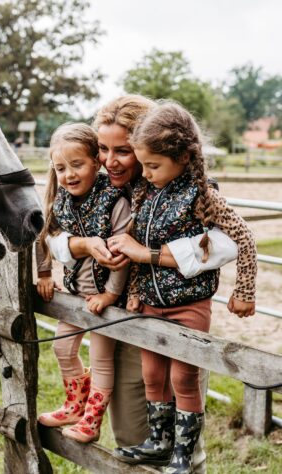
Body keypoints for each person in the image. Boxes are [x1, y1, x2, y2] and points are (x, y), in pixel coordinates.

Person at [46, 95, 239, 473]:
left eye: (123, 150)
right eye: (103, 148)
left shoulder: (189, 189)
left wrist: (146, 254)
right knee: (129, 434)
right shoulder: (99, 188)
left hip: (168, 319)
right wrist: (81, 245)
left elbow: (223, 245)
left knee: (175, 439)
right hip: (115, 322)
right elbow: (53, 235)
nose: (109, 160)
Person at [109, 101, 257, 473]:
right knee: (152, 375)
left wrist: (245, 291)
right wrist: (133, 293)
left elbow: (243, 235)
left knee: (183, 377)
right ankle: (159, 442)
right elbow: (137, 242)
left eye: (153, 166)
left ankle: (184, 452)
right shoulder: (148, 191)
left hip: (187, 306)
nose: (146, 173)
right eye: (143, 165)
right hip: (150, 304)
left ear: (184, 156)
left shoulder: (200, 194)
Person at [35, 122, 130, 443]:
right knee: (62, 348)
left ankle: (92, 419)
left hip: (106, 300)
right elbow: (44, 235)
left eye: (77, 165)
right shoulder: (61, 200)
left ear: (95, 161)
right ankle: (75, 405)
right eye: (61, 168)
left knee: (100, 359)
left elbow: (120, 254)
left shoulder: (114, 201)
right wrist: (45, 273)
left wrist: (109, 293)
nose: (69, 174)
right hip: (75, 294)